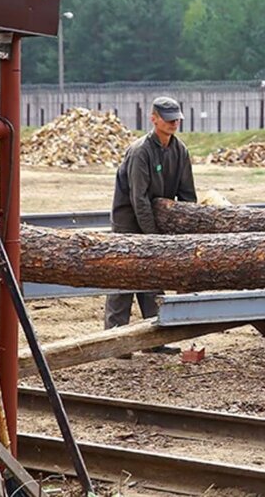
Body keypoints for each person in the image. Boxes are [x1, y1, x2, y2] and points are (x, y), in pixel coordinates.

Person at [108, 96, 197, 355]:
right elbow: (139, 200)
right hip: (129, 222)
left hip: (156, 223)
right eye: (168, 119)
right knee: (124, 280)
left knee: (153, 281)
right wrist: (153, 239)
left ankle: (154, 340)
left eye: (176, 119)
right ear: (154, 118)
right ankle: (116, 342)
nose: (173, 123)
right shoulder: (140, 152)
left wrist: (183, 228)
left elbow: (188, 196)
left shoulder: (180, 151)